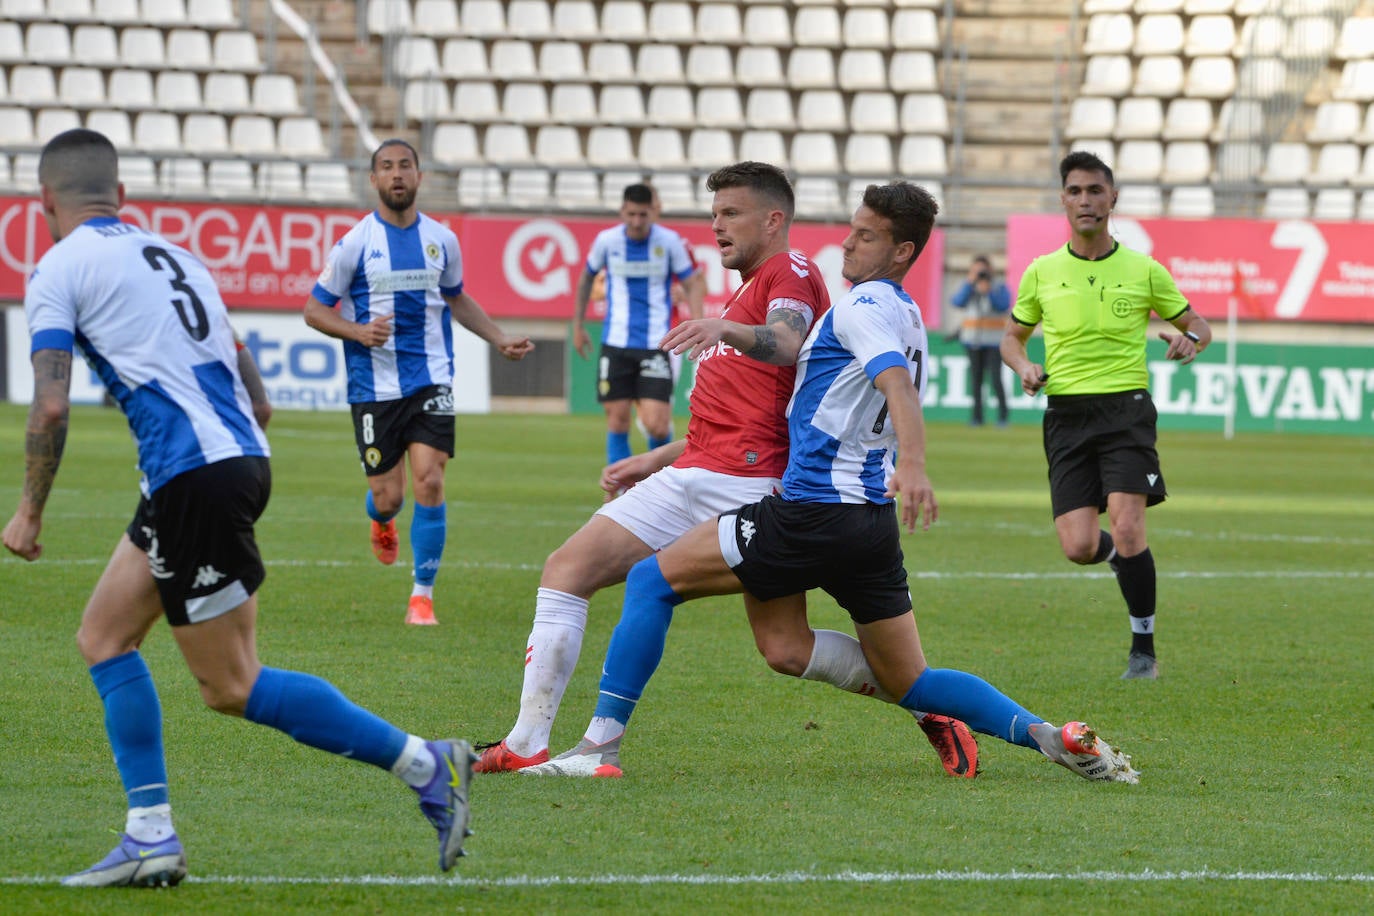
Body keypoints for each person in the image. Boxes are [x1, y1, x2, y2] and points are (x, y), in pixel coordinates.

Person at [523, 181, 1139, 785]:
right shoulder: (909, 313)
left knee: (649, 581)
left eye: (866, 237)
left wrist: (918, 467)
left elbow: (892, 382)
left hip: (811, 513)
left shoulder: (861, 308)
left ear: (902, 252)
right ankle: (1049, 737)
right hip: (870, 526)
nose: (847, 245)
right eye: (850, 230)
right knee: (907, 678)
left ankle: (596, 748)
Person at [2, 129, 474, 887]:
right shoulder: (177, 256)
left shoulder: (58, 267)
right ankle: (150, 836)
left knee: (231, 685)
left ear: (44, 203)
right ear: (121, 195)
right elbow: (257, 397)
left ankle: (426, 763)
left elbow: (50, 406)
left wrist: (28, 513)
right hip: (219, 467)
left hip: (195, 477)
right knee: (103, 637)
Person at [476, 162, 979, 780]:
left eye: (731, 214)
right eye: (714, 215)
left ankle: (928, 703)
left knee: (781, 646)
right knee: (567, 570)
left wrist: (723, 328)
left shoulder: (790, 274)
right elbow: (731, 413)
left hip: (750, 483)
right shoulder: (741, 294)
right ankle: (527, 740)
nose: (717, 226)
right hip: (692, 469)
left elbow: (787, 344)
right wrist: (656, 458)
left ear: (773, 220)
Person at [1000, 150, 1212, 681]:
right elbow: (1011, 338)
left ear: (1112, 199)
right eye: (1075, 191)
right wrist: (1024, 366)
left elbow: (1200, 326)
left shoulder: (1143, 269)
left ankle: (1144, 650)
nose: (1086, 200)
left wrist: (1190, 341)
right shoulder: (1042, 272)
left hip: (1126, 411)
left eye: (1096, 190)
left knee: (1128, 522)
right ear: (1063, 200)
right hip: (1066, 415)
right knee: (1077, 547)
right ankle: (1121, 556)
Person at [304, 139, 533, 626]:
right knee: (391, 496)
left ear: (419, 176)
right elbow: (314, 309)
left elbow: (456, 298)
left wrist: (497, 338)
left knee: (430, 479)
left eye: (405, 165)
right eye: (386, 167)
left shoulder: (442, 241)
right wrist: (357, 331)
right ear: (374, 180)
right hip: (374, 387)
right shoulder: (355, 244)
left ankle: (421, 595)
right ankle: (380, 517)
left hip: (432, 377)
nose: (397, 175)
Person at [572, 182, 705, 465]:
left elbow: (693, 283)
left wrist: (697, 324)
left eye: (643, 215)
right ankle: (620, 493)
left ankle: (658, 489)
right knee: (617, 421)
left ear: (653, 213)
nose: (636, 221)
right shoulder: (607, 241)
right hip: (615, 344)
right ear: (622, 210)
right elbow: (586, 278)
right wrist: (578, 324)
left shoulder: (669, 242)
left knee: (657, 424)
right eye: (631, 214)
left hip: (656, 344)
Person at [948, 255, 1011, 426]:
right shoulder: (969, 286)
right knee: (976, 381)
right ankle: (977, 417)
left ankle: (1003, 416)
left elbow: (1004, 305)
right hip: (973, 341)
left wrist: (988, 291)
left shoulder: (998, 286)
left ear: (990, 270)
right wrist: (970, 283)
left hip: (994, 341)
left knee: (996, 379)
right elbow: (957, 302)